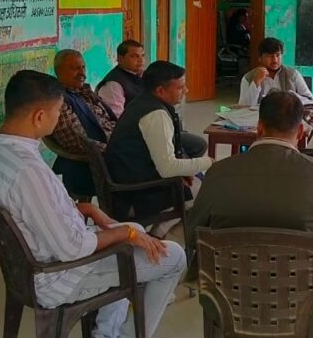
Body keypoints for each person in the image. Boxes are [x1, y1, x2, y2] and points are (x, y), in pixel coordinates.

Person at [0, 70, 185, 338]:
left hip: (30, 262)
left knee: (131, 232)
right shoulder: (28, 171)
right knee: (172, 257)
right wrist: (125, 233)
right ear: (39, 116)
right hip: (57, 275)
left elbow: (31, 210)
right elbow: (72, 248)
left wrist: (86, 209)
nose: (58, 118)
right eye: (58, 111)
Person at [186, 91, 313, 338]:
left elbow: (192, 237)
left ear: (258, 128)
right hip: (304, 307)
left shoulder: (219, 173)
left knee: (238, 290)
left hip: (230, 303)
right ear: (301, 132)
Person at [104, 60, 214, 220]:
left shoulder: (143, 101)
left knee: (198, 179)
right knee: (211, 192)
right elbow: (167, 168)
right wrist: (210, 162)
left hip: (131, 183)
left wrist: (186, 169)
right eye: (180, 88)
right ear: (161, 90)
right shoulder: (155, 115)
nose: (186, 91)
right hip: (136, 195)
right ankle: (163, 229)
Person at [49, 48, 117, 198]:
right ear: (59, 71)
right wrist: (117, 149)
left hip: (114, 146)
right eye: (74, 68)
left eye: (83, 67)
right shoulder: (59, 101)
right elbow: (78, 142)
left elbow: (109, 120)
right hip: (96, 162)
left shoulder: (83, 92)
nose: (82, 73)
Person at [238, 37, 313, 107]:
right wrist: (256, 82)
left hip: (287, 117)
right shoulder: (248, 78)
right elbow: (242, 108)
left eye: (278, 55)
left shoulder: (293, 75)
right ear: (260, 58)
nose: (275, 60)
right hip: (260, 117)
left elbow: (312, 101)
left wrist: (292, 97)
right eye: (269, 56)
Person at [97, 40, 147, 117]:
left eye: (142, 55)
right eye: (134, 56)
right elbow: (116, 117)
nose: (141, 60)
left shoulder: (144, 76)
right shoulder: (113, 84)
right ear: (120, 59)